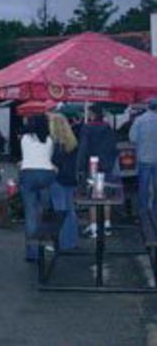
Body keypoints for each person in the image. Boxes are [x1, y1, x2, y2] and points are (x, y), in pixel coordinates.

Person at [77, 104, 118, 238]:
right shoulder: (108, 128)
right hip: (107, 166)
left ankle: (94, 227)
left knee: (93, 197)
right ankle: (107, 225)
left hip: (92, 165)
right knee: (106, 196)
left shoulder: (87, 128)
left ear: (93, 115)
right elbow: (114, 148)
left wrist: (79, 167)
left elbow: (83, 148)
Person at [19, 114, 56, 262]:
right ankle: (47, 242)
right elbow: (50, 158)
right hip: (47, 174)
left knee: (30, 213)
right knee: (45, 210)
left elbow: (25, 156)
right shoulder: (50, 139)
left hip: (28, 174)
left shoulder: (25, 138)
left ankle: (32, 252)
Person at [49, 113, 79, 250]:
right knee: (70, 210)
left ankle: (61, 243)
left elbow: (54, 164)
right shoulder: (72, 142)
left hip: (58, 180)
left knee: (59, 211)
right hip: (70, 179)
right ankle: (71, 241)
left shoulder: (55, 145)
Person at [129, 98, 157, 222]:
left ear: (148, 107)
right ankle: (155, 210)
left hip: (143, 157)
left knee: (143, 186)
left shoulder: (139, 120)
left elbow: (132, 138)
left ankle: (143, 211)